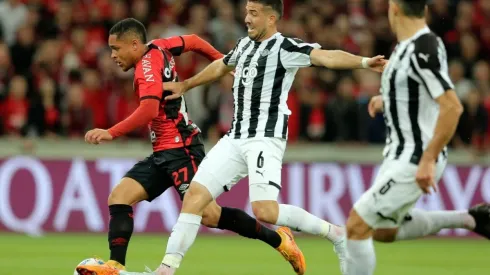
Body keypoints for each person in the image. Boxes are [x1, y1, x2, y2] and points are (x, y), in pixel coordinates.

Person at [146, 1, 386, 274]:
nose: (246, 18)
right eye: (247, 12)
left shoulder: (285, 47)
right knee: (194, 198)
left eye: (253, 13)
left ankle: (336, 234)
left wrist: (365, 62)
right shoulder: (244, 45)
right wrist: (186, 84)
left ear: (271, 18)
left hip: (265, 138)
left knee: (265, 212)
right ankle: (166, 269)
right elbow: (222, 65)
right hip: (235, 137)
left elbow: (326, 57)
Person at [76, 18, 305, 275]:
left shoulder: (146, 68)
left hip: (183, 149)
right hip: (163, 151)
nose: (113, 56)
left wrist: (110, 132)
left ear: (134, 45)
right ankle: (115, 266)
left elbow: (149, 109)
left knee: (209, 214)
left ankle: (280, 241)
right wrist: (225, 62)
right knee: (119, 197)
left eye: (116, 49)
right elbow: (193, 41)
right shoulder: (159, 46)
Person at [344, 1, 490, 274]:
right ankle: (471, 219)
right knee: (383, 231)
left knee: (357, 224)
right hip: (398, 154)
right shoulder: (405, 48)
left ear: (394, 9)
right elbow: (420, 96)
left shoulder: (424, 46)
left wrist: (428, 159)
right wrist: (386, 101)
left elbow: (451, 105)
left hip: (415, 155)